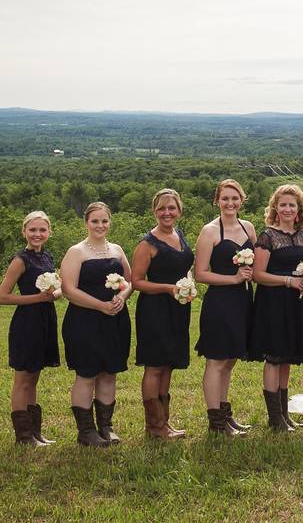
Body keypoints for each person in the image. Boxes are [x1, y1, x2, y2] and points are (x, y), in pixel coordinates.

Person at [60, 202, 133, 447]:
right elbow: (69, 290)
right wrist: (100, 306)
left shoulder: (117, 249)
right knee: (87, 374)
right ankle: (86, 431)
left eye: (104, 221)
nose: (100, 225)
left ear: (110, 222)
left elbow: (131, 281)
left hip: (115, 320)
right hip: (84, 320)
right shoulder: (76, 252)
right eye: (95, 221)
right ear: (86, 223)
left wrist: (121, 297)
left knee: (109, 373)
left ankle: (106, 427)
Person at [250, 184, 303, 432]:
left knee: (288, 356)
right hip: (274, 303)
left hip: (298, 303)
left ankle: (285, 415)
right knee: (275, 358)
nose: (287, 209)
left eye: (292, 205)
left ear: (299, 209)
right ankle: (274, 418)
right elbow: (258, 275)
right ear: (275, 208)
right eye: (283, 204)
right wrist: (288, 280)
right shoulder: (267, 236)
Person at [193, 179, 257, 436]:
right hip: (220, 301)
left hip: (243, 301)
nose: (230, 203)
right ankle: (216, 423)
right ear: (217, 201)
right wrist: (232, 279)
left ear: (242, 200)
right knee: (216, 361)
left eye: (235, 198)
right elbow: (200, 274)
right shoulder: (210, 232)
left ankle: (226, 414)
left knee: (230, 360)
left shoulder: (248, 228)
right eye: (225, 199)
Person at [130, 188, 193, 440]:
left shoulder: (180, 235)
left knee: (169, 364)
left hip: (178, 308)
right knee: (155, 365)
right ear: (154, 211)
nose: (167, 213)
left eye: (171, 208)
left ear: (179, 210)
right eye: (161, 208)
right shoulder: (147, 244)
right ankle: (154, 426)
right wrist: (168, 288)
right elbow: (136, 281)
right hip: (155, 309)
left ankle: (164, 423)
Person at [0, 211, 62, 446]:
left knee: (34, 376)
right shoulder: (20, 260)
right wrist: (37, 299)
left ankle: (35, 432)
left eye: (42, 230)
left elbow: (54, 290)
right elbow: (3, 297)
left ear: (49, 232)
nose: (37, 234)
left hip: (45, 320)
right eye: (32, 230)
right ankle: (23, 437)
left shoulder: (47, 257)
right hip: (27, 323)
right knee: (23, 378)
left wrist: (56, 292)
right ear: (24, 231)